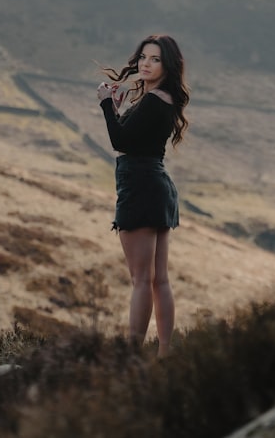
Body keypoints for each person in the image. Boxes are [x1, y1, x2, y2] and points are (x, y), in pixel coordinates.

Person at [97, 34, 190, 357]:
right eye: (143, 58)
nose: (146, 64)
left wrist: (106, 104)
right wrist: (122, 110)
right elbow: (136, 138)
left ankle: (131, 355)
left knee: (140, 279)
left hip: (139, 185)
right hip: (157, 185)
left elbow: (119, 142)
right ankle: (165, 353)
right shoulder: (163, 99)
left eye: (155, 59)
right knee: (158, 279)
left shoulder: (153, 100)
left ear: (167, 65)